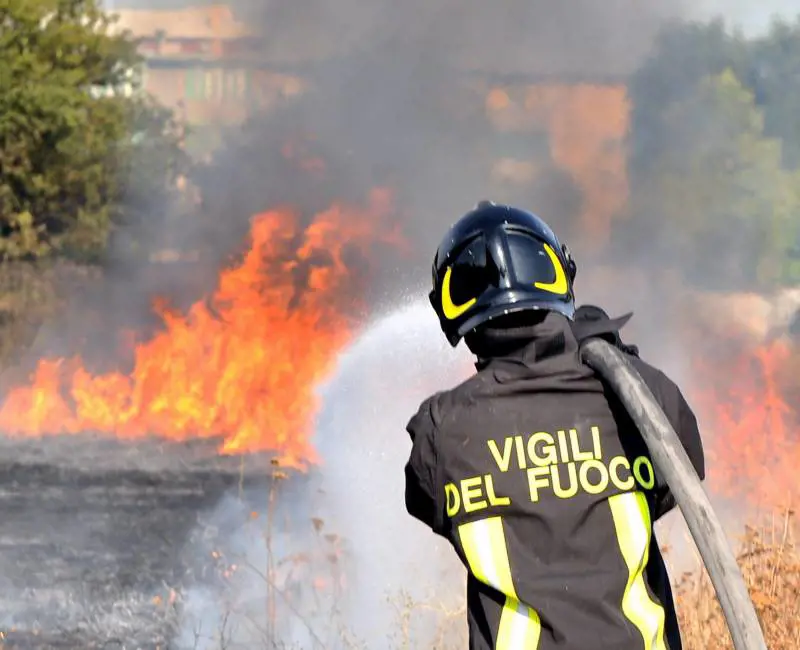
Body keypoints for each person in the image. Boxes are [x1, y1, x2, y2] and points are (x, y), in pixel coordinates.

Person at [404, 201, 704, 650]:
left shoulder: (441, 431)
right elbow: (683, 472)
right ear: (558, 275)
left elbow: (427, 501)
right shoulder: (635, 394)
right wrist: (613, 359)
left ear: (453, 310)